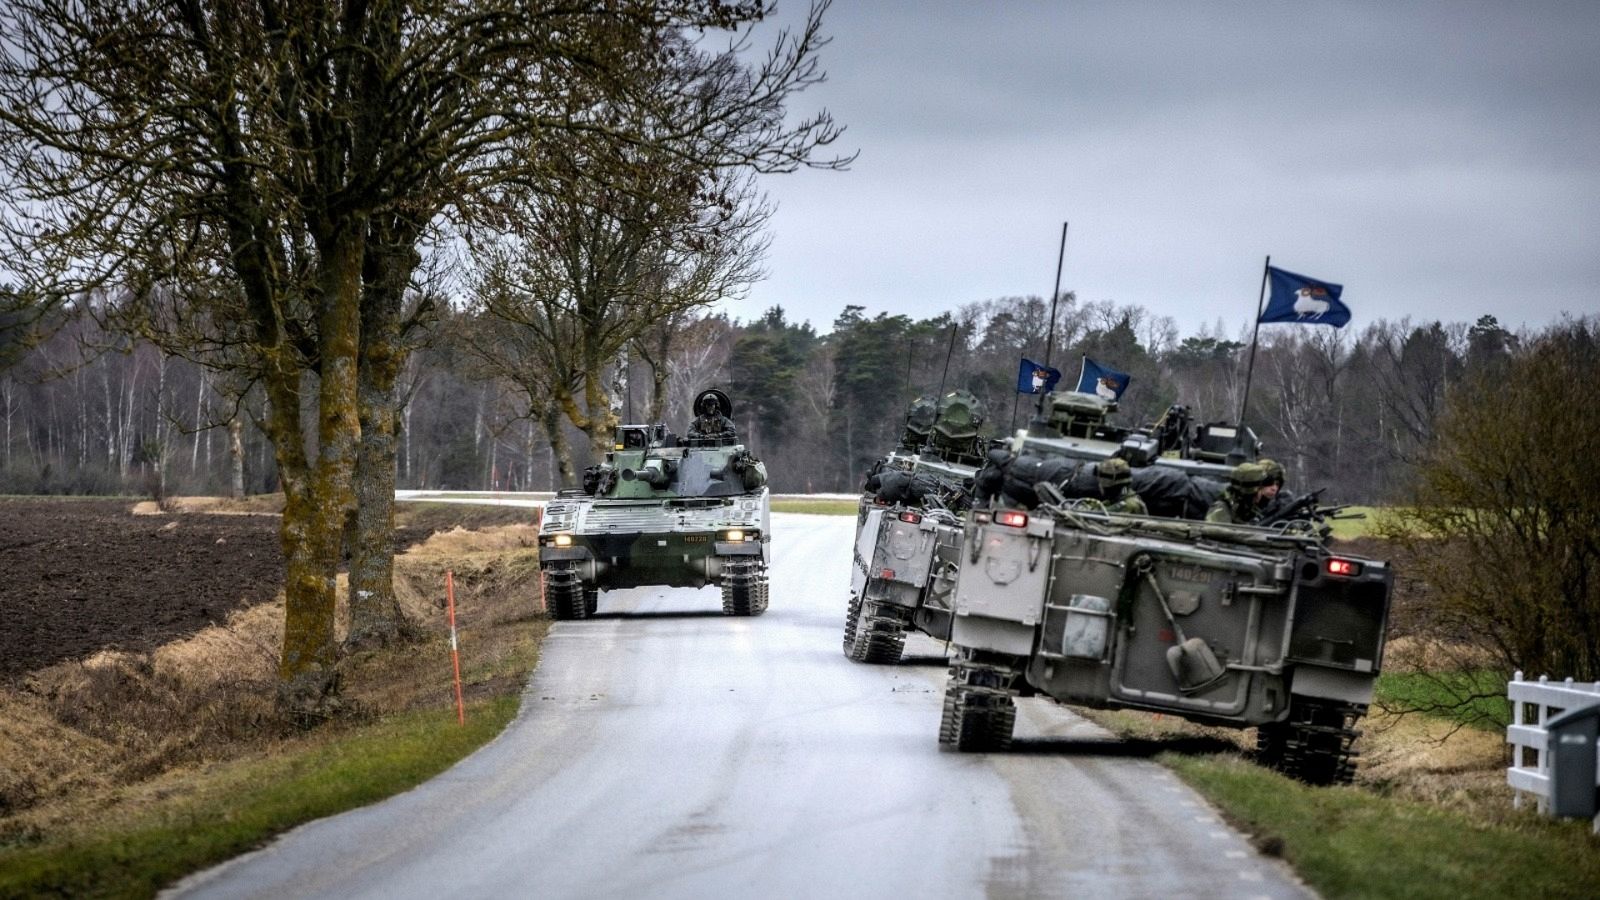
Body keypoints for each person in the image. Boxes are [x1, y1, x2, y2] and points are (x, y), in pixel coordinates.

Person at [1207, 462, 1272, 524]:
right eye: (1260, 489)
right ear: (1252, 492)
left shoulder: (1248, 507)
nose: (1262, 493)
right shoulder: (1221, 510)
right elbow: (1217, 534)